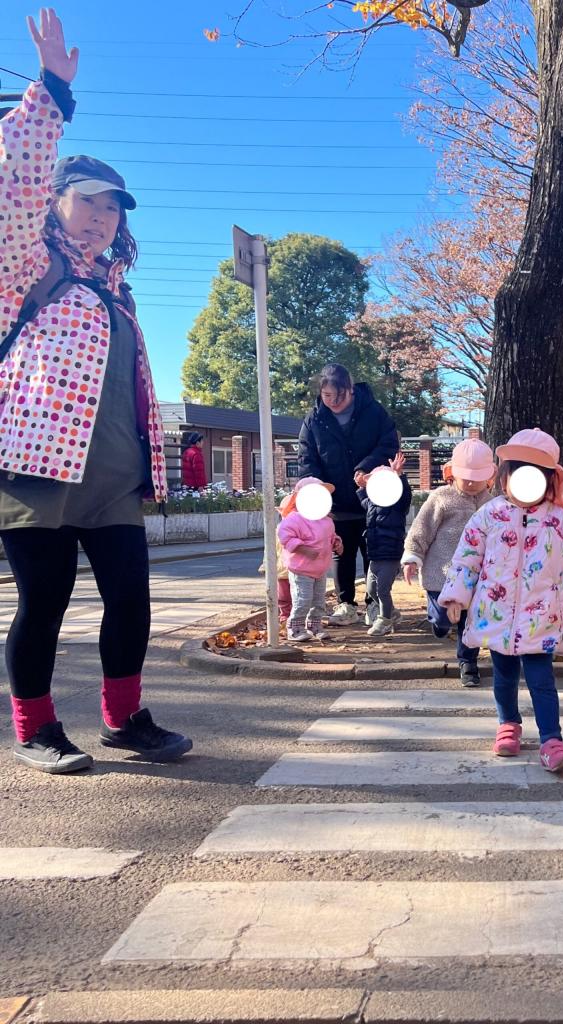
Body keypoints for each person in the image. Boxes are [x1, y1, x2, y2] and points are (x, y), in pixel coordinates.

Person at [0, 11, 191, 774]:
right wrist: (50, 92)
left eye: (113, 207)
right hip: (39, 467)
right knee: (44, 602)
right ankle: (36, 728)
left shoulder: (117, 290)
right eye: (90, 201)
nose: (103, 216)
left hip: (113, 475)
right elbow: (15, 181)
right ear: (55, 203)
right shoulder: (24, 265)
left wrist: (154, 462)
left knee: (131, 599)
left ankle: (124, 719)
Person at [439, 428, 563, 773]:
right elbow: (467, 557)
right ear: (505, 476)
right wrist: (456, 595)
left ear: (549, 481)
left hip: (541, 617)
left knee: (541, 680)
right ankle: (508, 725)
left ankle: (551, 740)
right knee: (503, 676)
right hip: (497, 614)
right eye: (518, 473)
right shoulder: (489, 515)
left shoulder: (559, 521)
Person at [297, 364, 399, 625]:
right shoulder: (314, 419)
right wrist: (317, 490)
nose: (333, 402)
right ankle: (345, 604)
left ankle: (374, 603)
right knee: (340, 552)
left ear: (350, 389)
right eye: (327, 396)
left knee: (372, 552)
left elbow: (389, 444)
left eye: (339, 396)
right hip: (335, 499)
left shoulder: (373, 411)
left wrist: (367, 467)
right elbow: (307, 458)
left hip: (371, 497)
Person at [401, 438, 495, 687]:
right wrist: (413, 556)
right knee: (443, 618)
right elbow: (422, 528)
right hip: (440, 574)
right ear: (452, 473)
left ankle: (468, 663)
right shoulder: (441, 497)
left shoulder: (492, 504)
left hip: (475, 576)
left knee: (469, 622)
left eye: (477, 478)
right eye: (466, 478)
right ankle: (438, 624)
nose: (472, 483)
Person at [277, 477, 343, 642]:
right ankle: (295, 628)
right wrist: (303, 549)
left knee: (319, 601)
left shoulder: (326, 520)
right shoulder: (294, 519)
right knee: (302, 599)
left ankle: (315, 625)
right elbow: (285, 537)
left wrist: (336, 543)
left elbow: (331, 537)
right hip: (301, 569)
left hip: (320, 569)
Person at [357, 452, 413, 637]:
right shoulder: (372, 503)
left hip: (391, 555)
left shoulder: (397, 505)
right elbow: (363, 500)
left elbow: (406, 496)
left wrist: (399, 475)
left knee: (382, 590)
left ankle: (385, 620)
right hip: (374, 555)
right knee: (372, 590)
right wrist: (361, 487)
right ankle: (391, 613)